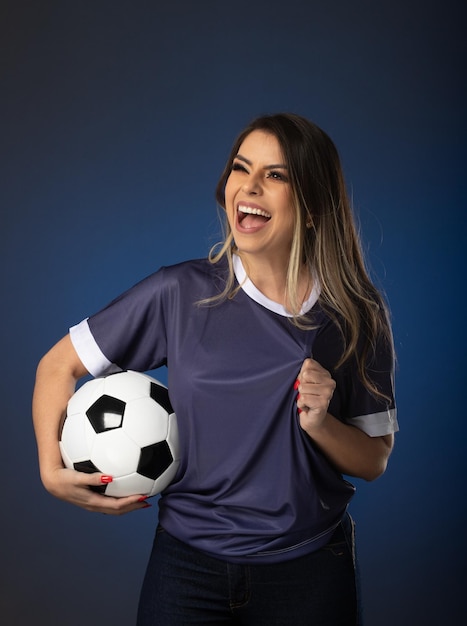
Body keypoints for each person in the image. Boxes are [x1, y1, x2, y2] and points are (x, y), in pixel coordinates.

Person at [32, 113, 398, 625]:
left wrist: (320, 423)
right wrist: (51, 470)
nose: (248, 186)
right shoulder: (179, 293)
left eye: (276, 175)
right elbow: (57, 366)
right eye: (240, 168)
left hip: (309, 568)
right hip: (187, 567)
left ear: (313, 206)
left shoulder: (353, 313)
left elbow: (373, 460)